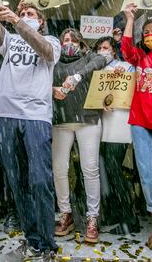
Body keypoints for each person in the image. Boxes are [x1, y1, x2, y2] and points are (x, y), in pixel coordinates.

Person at [0, 0, 60, 262]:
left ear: (41, 20)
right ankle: (33, 240)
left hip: (36, 117)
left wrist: (18, 20)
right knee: (18, 182)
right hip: (6, 116)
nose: (25, 15)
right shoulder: (10, 40)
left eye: (31, 13)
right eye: (23, 11)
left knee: (40, 180)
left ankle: (49, 245)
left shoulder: (50, 39)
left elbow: (46, 52)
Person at [121, 2, 152, 250]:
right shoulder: (140, 57)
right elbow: (126, 50)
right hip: (140, 121)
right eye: (148, 31)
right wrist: (130, 19)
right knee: (148, 175)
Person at [52, 28, 106, 243]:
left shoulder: (89, 58)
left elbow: (101, 59)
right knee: (59, 169)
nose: (69, 42)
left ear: (81, 43)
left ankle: (93, 217)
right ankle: (65, 214)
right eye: (65, 39)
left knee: (90, 169)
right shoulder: (54, 61)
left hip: (88, 119)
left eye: (73, 39)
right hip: (61, 121)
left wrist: (77, 75)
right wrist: (51, 89)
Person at [93, 36, 140, 234]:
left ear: (114, 50)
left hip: (119, 126)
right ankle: (114, 213)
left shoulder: (126, 67)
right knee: (106, 175)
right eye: (99, 48)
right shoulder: (95, 69)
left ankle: (130, 220)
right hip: (100, 126)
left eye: (106, 47)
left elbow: (133, 90)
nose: (102, 51)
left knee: (116, 173)